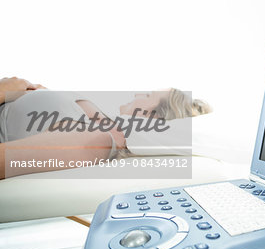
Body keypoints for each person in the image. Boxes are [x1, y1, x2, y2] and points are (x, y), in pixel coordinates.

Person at [0, 77, 211, 179]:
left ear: (152, 116)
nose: (138, 94)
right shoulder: (94, 120)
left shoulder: (94, 140)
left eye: (147, 95)